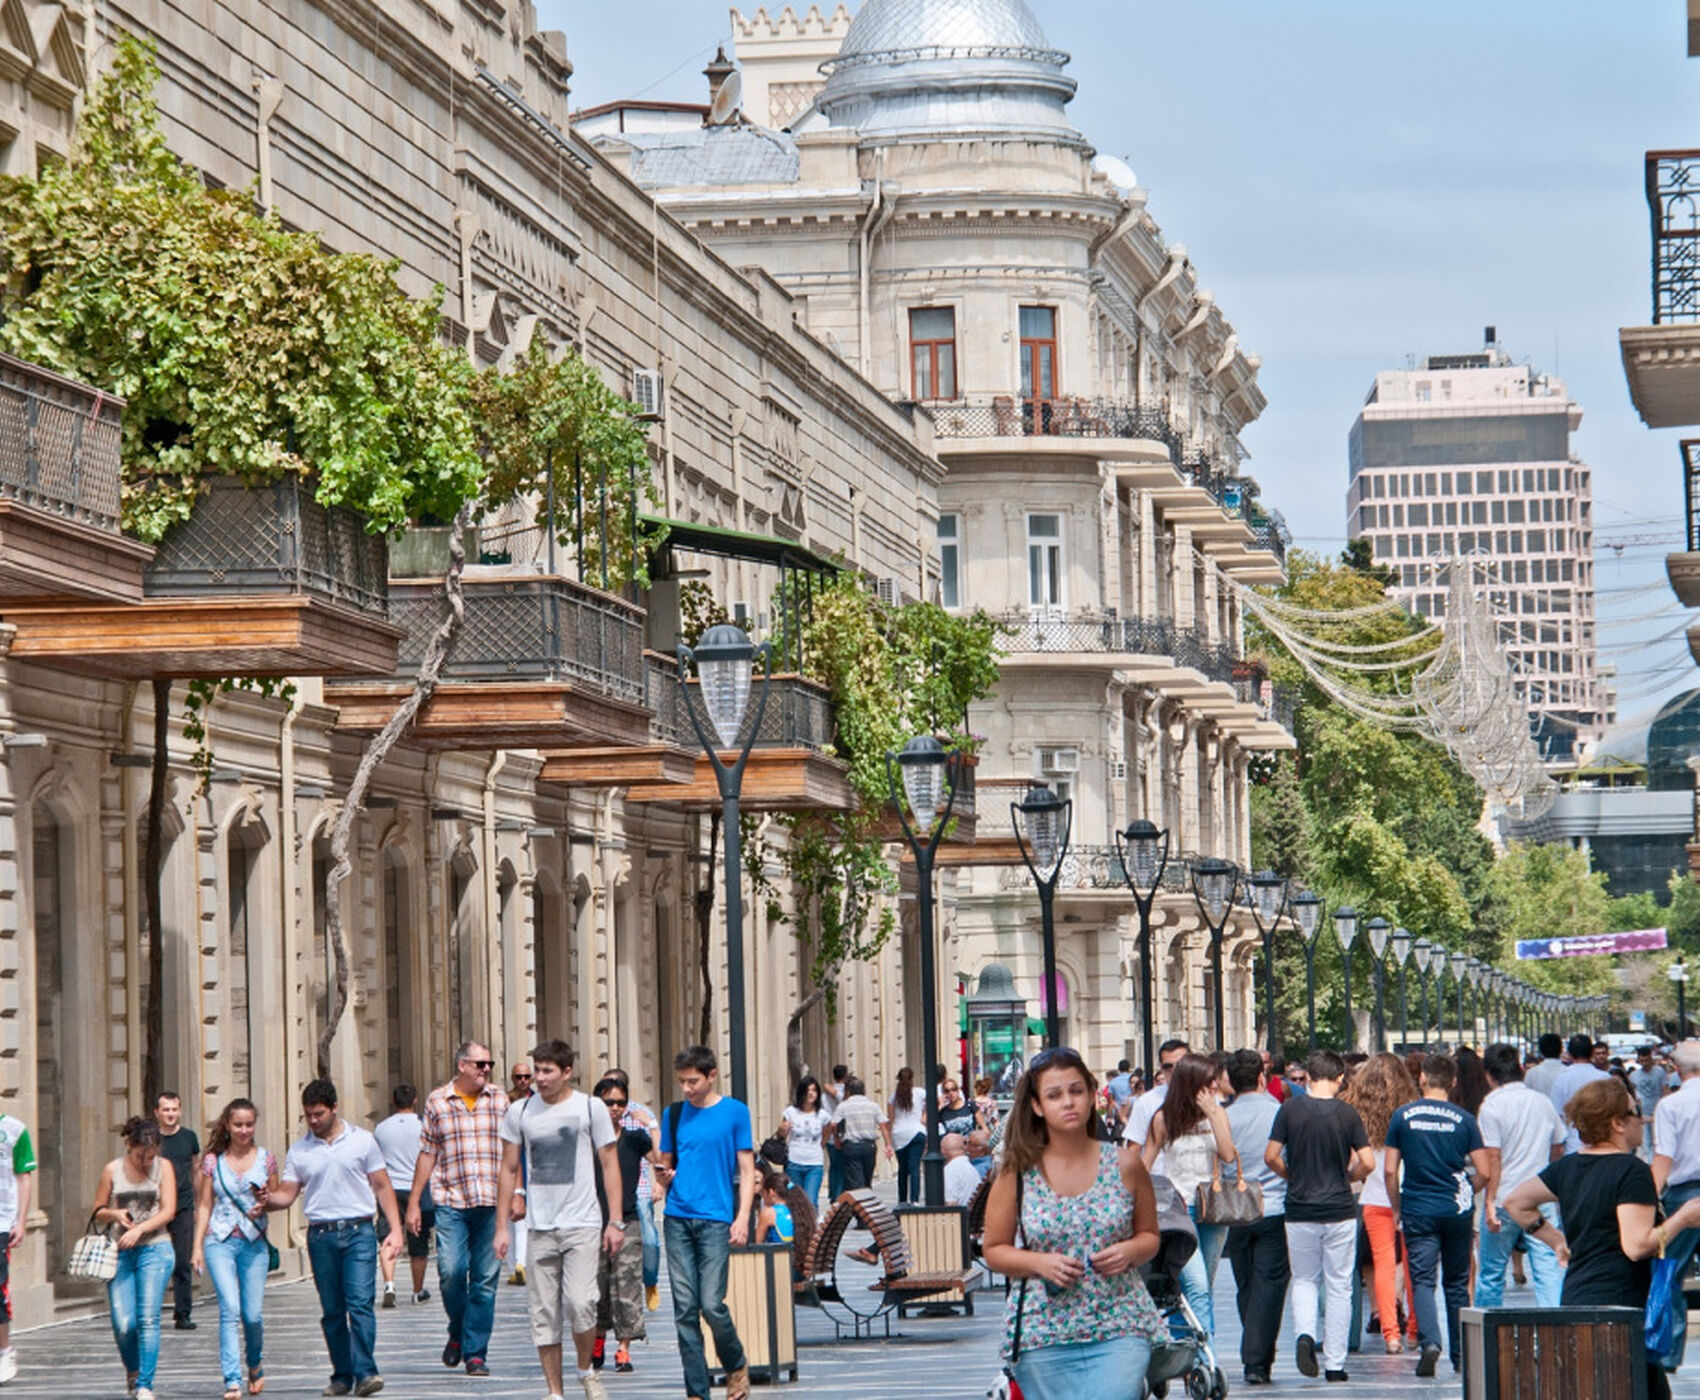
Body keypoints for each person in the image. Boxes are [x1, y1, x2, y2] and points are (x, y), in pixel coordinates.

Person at [984, 1046, 1166, 1399]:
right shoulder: (1017, 1172)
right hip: (1043, 1331)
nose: (1068, 1102)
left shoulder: (1126, 1164)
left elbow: (1149, 1236)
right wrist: (1038, 1262)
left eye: (1076, 1091)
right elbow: (993, 1250)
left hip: (1119, 1323)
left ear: (1092, 1095)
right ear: (1037, 1106)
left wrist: (1129, 1250)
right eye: (1054, 1095)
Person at [1506, 1076, 1700, 1400]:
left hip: (1577, 1299)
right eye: (1635, 1110)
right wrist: (1683, 1218)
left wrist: (1555, 1239)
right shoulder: (1631, 1169)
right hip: (1621, 1307)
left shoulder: (1568, 1167)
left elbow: (1515, 1202)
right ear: (1617, 1123)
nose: (1642, 1117)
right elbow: (1637, 1245)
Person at [492, 1041, 622, 1400]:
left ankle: (586, 1370)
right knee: (543, 1312)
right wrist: (502, 1226)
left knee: (582, 1303)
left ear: (567, 1072)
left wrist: (615, 1220)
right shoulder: (520, 1112)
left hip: (582, 1222)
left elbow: (609, 1164)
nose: (540, 1077)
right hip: (540, 1225)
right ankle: (555, 1392)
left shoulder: (589, 1107)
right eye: (537, 1070)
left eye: (548, 1071)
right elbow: (508, 1167)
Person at [259, 1078, 402, 1399]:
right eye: (308, 1115)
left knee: (360, 1303)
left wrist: (395, 1228)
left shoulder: (362, 1141)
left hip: (358, 1232)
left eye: (319, 1114)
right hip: (321, 1236)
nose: (313, 1120)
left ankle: (366, 1372)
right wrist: (266, 1199)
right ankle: (342, 1375)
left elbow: (381, 1185)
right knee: (333, 1309)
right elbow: (288, 1194)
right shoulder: (300, 1150)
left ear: (334, 1108)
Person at [1266, 1050, 1373, 1384]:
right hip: (1339, 1208)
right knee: (1339, 1284)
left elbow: (1270, 1156)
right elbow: (1367, 1162)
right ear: (1340, 1078)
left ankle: (1304, 1335)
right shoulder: (1348, 1114)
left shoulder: (1290, 1110)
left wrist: (1292, 1175)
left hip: (1299, 1207)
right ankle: (1335, 1363)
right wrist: (1349, 1177)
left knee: (1304, 1279)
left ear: (1309, 1076)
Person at [656, 1045, 755, 1400]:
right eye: (682, 1081)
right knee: (684, 1309)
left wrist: (742, 1217)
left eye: (693, 1081)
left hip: (715, 1219)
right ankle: (697, 1391)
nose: (686, 1088)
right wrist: (663, 1177)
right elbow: (667, 1163)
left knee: (711, 1305)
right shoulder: (674, 1113)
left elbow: (746, 1170)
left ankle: (735, 1364)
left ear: (712, 1076)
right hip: (678, 1217)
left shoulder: (735, 1112)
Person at [408, 1040, 510, 1378]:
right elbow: (427, 1152)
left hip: (492, 1203)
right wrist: (414, 1203)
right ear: (462, 1065)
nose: (486, 1070)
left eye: (489, 1064)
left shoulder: (499, 1100)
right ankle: (459, 1329)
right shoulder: (438, 1101)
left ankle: (475, 1352)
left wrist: (519, 1192)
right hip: (451, 1201)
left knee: (484, 1281)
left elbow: (513, 1151)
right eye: (480, 1064)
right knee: (451, 1273)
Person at [1384, 1054, 1489, 1378]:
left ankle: (1430, 1341)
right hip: (1455, 1209)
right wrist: (1466, 1191)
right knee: (1457, 1283)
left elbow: (1390, 1170)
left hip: (1418, 1207)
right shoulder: (1464, 1119)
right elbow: (1484, 1170)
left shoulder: (1403, 1117)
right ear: (1453, 1082)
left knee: (1423, 1280)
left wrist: (1397, 1204)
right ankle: (1460, 1356)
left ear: (1423, 1079)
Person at [1139, 1053, 1234, 1337]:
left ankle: (1188, 1350)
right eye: (1208, 1083)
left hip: (1212, 1206)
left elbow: (1228, 1154)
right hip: (1178, 1209)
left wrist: (1215, 1114)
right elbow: (1146, 1162)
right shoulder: (1163, 1118)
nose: (1214, 1088)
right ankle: (1204, 1358)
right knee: (1194, 1285)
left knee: (1204, 1286)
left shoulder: (1217, 1112)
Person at [191, 1097, 278, 1400]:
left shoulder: (266, 1159)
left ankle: (254, 1362)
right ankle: (232, 1378)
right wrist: (197, 1247)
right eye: (238, 1124)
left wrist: (265, 1201)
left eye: (249, 1125)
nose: (244, 1130)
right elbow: (204, 1205)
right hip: (220, 1239)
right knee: (229, 1308)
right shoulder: (212, 1161)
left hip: (254, 1241)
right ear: (227, 1125)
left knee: (252, 1315)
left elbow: (277, 1198)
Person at [1476, 1041, 1566, 1309]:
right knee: (1548, 1269)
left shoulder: (1491, 1106)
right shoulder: (1542, 1102)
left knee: (1492, 1273)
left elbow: (1494, 1157)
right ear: (1520, 1070)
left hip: (1504, 1197)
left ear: (1489, 1074)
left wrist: (1489, 1201)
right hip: (1540, 1196)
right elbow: (1558, 1146)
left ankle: (1487, 1332)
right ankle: (1554, 1332)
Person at [92, 1117, 177, 1400]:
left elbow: (168, 1211)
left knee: (148, 1318)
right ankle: (133, 1370)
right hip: (121, 1252)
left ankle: (145, 1384)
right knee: (123, 1322)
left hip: (156, 1247)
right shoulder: (112, 1170)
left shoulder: (164, 1168)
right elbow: (98, 1210)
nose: (146, 1161)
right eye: (141, 1155)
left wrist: (140, 1228)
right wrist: (115, 1214)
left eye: (151, 1156)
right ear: (130, 1145)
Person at [1341, 1051, 1419, 1354]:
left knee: (1383, 1266)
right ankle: (1413, 1329)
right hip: (1409, 1194)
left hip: (1374, 1197)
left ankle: (1391, 1334)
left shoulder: (1356, 1110)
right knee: (1413, 1266)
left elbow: (1354, 1160)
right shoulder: (1411, 1108)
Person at [1221, 1048, 1289, 1387]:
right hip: (1274, 1207)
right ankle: (1257, 1359)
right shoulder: (1278, 1112)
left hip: (1235, 1210)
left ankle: (1254, 1350)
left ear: (1230, 1082)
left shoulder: (1224, 1118)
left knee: (1245, 1283)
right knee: (1271, 1285)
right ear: (1262, 1078)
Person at [591, 1075, 652, 1378]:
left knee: (627, 1285)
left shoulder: (635, 1137)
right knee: (597, 1287)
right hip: (593, 1224)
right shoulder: (588, 1140)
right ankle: (598, 1338)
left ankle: (624, 1347)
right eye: (609, 1102)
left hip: (628, 1221)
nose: (615, 1108)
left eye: (620, 1103)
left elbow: (660, 1158)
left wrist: (650, 1125)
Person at [1652, 1040, 1700, 1370]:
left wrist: (1651, 1198)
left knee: (1670, 1275)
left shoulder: (1670, 1106)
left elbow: (1663, 1158)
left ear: (1676, 1070)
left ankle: (1669, 1354)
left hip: (1683, 1196)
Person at [601, 1067, 664, 1313]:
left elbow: (657, 1154)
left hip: (639, 1188)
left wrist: (659, 1183)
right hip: (608, 1192)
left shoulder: (641, 1113)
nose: (614, 1105)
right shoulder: (597, 1113)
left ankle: (650, 1281)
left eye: (619, 1099)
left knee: (649, 1240)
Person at [371, 1084, 431, 1307]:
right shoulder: (423, 1126)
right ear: (415, 1101)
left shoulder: (381, 1128)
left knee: (388, 1235)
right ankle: (417, 1291)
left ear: (394, 1102)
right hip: (417, 1189)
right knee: (418, 1241)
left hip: (390, 1189)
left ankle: (389, 1284)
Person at [154, 1090, 201, 1331]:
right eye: (166, 1110)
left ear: (179, 1111)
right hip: (156, 1207)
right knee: (157, 1260)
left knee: (182, 1261)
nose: (170, 1114)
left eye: (174, 1109)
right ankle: (151, 1310)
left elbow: (195, 1170)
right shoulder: (152, 1139)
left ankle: (183, 1313)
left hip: (183, 1205)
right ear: (157, 1113)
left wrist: (198, 1203)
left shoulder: (189, 1137)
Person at [0, 1104, 34, 1383]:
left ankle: (5, 1350)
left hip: (2, 1221)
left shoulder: (15, 1129)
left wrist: (21, 1221)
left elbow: (24, 1177)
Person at [1122, 1039, 1189, 1174]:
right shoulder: (1147, 1102)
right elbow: (1134, 1147)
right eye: (1168, 1067)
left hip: (1203, 1186)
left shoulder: (1208, 1100)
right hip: (1162, 1184)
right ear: (1161, 1069)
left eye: (1180, 1065)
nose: (1174, 1071)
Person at [777, 1077, 832, 1211]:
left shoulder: (823, 1115)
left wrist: (819, 1146)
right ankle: (798, 1230)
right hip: (794, 1162)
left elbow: (827, 1133)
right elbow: (781, 1136)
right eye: (807, 1090)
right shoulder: (790, 1112)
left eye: (814, 1090)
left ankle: (812, 1230)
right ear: (801, 1093)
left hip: (814, 1164)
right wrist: (783, 1130)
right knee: (795, 1201)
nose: (810, 1093)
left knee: (810, 1201)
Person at [1549, 1034, 1609, 1153]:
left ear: (1569, 1054)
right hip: (1602, 1146)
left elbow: (1557, 1115)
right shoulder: (1604, 1078)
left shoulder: (1561, 1080)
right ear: (1592, 1053)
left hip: (1571, 1146)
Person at [828, 1077, 887, 1192]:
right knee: (867, 1179)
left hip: (852, 1145)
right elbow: (883, 1124)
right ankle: (866, 1202)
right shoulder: (873, 1105)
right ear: (864, 1091)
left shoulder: (844, 1106)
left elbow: (833, 1124)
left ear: (849, 1091)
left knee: (854, 1181)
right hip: (869, 1146)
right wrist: (888, 1144)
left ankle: (859, 1206)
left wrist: (836, 1139)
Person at [507, 1060, 533, 1285]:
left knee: (524, 1214)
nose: (523, 1081)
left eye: (526, 1077)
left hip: (532, 1160)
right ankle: (515, 1264)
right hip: (511, 1159)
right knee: (511, 1214)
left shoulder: (539, 1101)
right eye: (518, 1077)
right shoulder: (504, 1102)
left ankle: (520, 1262)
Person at [886, 1068, 926, 1204]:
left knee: (902, 1169)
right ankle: (914, 1199)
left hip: (899, 1134)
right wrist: (924, 1117)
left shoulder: (893, 1098)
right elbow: (936, 1102)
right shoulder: (920, 1093)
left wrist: (888, 1142)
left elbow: (890, 1119)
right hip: (917, 1131)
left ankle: (902, 1200)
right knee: (915, 1167)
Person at [1632, 1045, 1672, 1162]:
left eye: (1646, 1060)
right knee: (1646, 1142)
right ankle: (1649, 1164)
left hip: (1657, 1112)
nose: (1644, 1063)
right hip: (1643, 1113)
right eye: (1642, 1060)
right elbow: (1634, 1096)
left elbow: (1665, 1091)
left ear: (1651, 1058)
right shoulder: (1634, 1076)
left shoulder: (1659, 1072)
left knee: (1658, 1141)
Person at [823, 1065, 849, 1202]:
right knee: (844, 1166)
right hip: (843, 1134)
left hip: (829, 1135)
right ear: (845, 1075)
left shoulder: (824, 1096)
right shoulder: (847, 1093)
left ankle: (833, 1193)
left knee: (834, 1165)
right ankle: (840, 1194)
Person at [1523, 1032, 1566, 1100]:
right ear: (1561, 1050)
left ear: (1541, 1051)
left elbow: (1526, 1096)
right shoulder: (1567, 1072)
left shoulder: (1532, 1073)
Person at [941, 1133, 980, 1207]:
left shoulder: (950, 1170)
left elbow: (951, 1204)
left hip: (960, 1216)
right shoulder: (972, 1169)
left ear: (943, 1151)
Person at [756, 1171, 794, 1246]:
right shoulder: (799, 1208)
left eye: (763, 1193)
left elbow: (758, 1243)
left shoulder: (769, 1213)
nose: (763, 1197)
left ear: (771, 1192)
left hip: (776, 1255)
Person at [939, 1077, 982, 1141]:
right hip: (953, 1147)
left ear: (958, 1091)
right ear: (944, 1094)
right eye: (947, 1091)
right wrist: (940, 1106)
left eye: (953, 1089)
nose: (951, 1093)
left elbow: (983, 1126)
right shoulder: (943, 1111)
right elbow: (925, 1121)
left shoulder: (970, 1105)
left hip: (970, 1146)